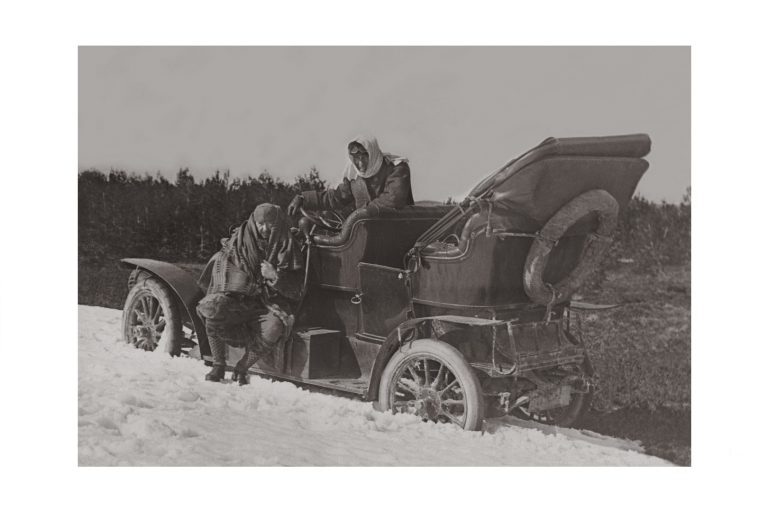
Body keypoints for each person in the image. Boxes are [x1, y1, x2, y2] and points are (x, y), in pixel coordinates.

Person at [196, 204, 304, 385]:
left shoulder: (288, 245)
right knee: (212, 309)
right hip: (236, 300)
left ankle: (242, 367)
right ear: (253, 220)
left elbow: (297, 290)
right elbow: (221, 269)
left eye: (270, 224)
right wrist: (238, 285)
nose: (264, 229)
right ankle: (218, 364)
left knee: (274, 327)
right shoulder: (238, 240)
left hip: (266, 303)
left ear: (277, 224)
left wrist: (275, 276)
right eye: (260, 223)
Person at [287, 135, 414, 218]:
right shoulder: (354, 176)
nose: (360, 163)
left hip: (397, 232)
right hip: (368, 232)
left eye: (364, 156)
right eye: (356, 158)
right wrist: (304, 198)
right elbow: (335, 198)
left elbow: (393, 199)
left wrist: (360, 215)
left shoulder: (397, 168)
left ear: (372, 153)